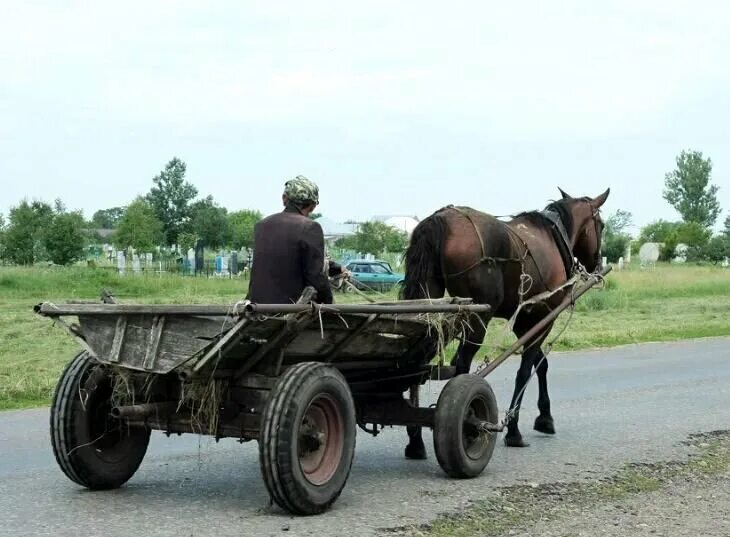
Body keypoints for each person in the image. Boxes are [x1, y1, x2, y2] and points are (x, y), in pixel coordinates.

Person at [246, 175, 345, 304]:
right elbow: (315, 276)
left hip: (256, 307)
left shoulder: (261, 225)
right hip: (290, 310)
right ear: (313, 206)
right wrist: (330, 304)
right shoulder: (310, 227)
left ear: (284, 199)